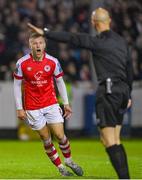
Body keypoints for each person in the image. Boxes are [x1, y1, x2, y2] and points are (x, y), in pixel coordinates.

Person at [27, 7, 133, 179]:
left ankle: (125, 178)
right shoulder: (122, 42)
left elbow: (72, 38)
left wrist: (45, 32)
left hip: (108, 91)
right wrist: (128, 94)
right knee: (116, 139)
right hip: (122, 93)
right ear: (110, 21)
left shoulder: (97, 42)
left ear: (94, 23)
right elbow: (129, 68)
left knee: (109, 141)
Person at [13, 33, 83, 177]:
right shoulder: (22, 63)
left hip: (51, 103)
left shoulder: (52, 61)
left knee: (60, 135)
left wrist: (66, 103)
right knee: (46, 138)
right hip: (32, 107)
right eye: (34, 43)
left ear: (44, 45)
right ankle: (61, 168)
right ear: (30, 45)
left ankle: (69, 161)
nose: (38, 45)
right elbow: (16, 85)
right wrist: (19, 108)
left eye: (40, 43)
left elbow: (60, 82)